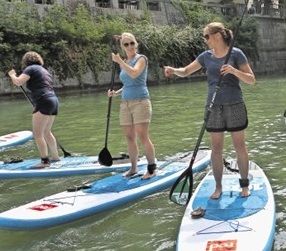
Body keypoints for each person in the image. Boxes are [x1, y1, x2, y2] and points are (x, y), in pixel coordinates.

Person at [163, 22, 255, 199]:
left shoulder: (236, 54)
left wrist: (234, 71)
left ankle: (244, 185)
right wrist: (174, 70)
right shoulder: (206, 56)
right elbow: (186, 71)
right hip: (213, 107)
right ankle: (218, 187)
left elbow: (251, 80)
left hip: (235, 104)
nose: (205, 40)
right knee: (216, 148)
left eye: (207, 36)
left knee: (240, 146)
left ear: (218, 35)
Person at [108, 32, 156, 179]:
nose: (129, 46)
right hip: (125, 103)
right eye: (126, 44)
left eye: (132, 43)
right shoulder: (124, 61)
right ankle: (133, 168)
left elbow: (135, 74)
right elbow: (128, 83)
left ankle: (152, 169)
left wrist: (119, 62)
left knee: (143, 136)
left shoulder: (141, 59)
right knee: (129, 137)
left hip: (141, 101)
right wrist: (116, 93)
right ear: (122, 47)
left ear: (136, 44)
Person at [8, 51, 60, 168]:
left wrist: (12, 75)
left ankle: (45, 161)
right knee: (47, 131)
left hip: (43, 100)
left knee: (38, 134)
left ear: (26, 61)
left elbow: (18, 82)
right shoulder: (43, 70)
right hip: (53, 100)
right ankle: (55, 157)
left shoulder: (30, 69)